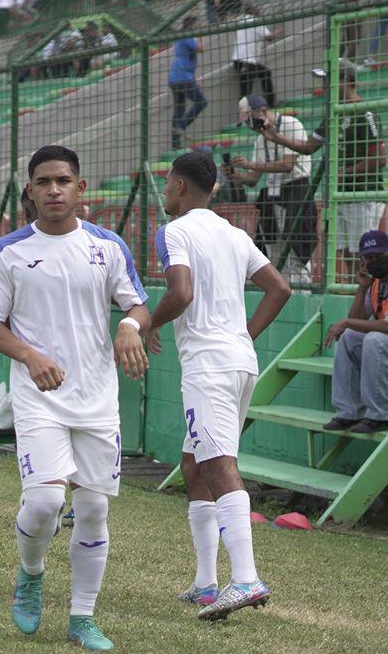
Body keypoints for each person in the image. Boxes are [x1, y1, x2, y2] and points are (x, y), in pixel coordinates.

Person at [0, 145, 151, 650]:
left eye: (64, 180)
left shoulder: (108, 246)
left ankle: (82, 617)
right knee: (47, 501)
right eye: (44, 182)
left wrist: (128, 326)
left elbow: (138, 304)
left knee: (93, 509)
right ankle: (30, 574)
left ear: (81, 189)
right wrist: (29, 356)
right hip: (39, 398)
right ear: (29, 192)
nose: (54, 189)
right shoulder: (9, 250)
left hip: (97, 399)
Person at [148, 151, 291, 621]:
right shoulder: (235, 234)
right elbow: (279, 289)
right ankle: (207, 584)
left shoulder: (174, 231)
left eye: (168, 182)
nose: (165, 190)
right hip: (239, 362)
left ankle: (246, 579)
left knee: (217, 463)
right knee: (194, 465)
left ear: (181, 186)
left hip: (209, 367)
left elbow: (181, 292)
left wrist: (145, 324)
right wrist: (243, 336)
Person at [258, 60, 385, 276]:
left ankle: (367, 298)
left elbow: (381, 158)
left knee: (362, 253)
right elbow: (308, 147)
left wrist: (346, 172)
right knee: (345, 253)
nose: (324, 86)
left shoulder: (365, 112)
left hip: (362, 194)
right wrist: (277, 137)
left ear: (345, 79)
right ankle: (355, 296)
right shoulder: (333, 114)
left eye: (328, 80)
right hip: (339, 195)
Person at [229, 94, 315, 280]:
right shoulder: (260, 141)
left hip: (296, 189)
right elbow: (253, 179)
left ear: (262, 112)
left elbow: (287, 165)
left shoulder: (292, 125)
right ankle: (283, 288)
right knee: (273, 247)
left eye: (250, 120)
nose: (249, 125)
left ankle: (302, 290)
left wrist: (251, 166)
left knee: (295, 246)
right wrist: (235, 176)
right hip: (272, 194)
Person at [322, 230, 388, 434]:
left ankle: (379, 415)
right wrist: (362, 289)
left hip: (381, 343)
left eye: (378, 256)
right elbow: (357, 321)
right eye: (368, 258)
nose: (373, 261)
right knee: (349, 337)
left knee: (374, 339)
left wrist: (346, 321)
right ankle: (349, 412)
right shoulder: (375, 282)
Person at [169, 17, 207, 150]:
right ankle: (181, 126)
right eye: (197, 23)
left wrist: (194, 78)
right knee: (201, 102)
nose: (198, 26)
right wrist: (201, 36)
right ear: (191, 25)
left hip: (175, 77)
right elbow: (201, 49)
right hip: (183, 77)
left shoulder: (180, 37)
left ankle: (175, 143)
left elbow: (187, 58)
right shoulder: (187, 35)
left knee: (179, 109)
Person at [231, 5, 280, 106]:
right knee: (245, 90)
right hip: (247, 61)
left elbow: (248, 37)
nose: (259, 11)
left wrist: (258, 46)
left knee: (265, 73)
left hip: (238, 60)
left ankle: (269, 103)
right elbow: (268, 37)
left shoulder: (241, 20)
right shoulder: (255, 21)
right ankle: (246, 115)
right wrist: (277, 32)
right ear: (253, 10)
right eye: (257, 9)